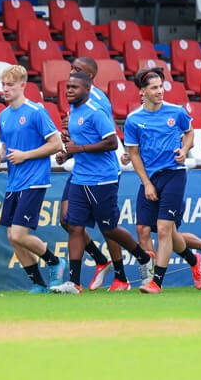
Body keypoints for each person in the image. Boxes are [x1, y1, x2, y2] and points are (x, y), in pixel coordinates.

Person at [50, 72, 155, 294]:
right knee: (74, 227)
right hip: (80, 179)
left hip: (103, 180)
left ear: (87, 90)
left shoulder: (96, 113)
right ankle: (74, 283)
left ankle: (144, 257)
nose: (69, 90)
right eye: (67, 87)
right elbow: (79, 144)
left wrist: (79, 150)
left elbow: (111, 143)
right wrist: (67, 155)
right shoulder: (73, 113)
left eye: (74, 87)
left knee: (109, 228)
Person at [134, 66, 201, 280]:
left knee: (165, 230)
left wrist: (184, 150)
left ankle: (154, 280)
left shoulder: (176, 111)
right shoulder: (134, 119)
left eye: (161, 87)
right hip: (150, 178)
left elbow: (190, 132)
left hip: (174, 174)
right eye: (154, 88)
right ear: (142, 92)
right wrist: (146, 182)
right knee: (143, 230)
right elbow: (134, 151)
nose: (160, 91)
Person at [0, 65, 67, 293]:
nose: (5, 89)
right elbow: (6, 144)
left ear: (23, 85)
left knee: (18, 233)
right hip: (14, 181)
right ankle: (38, 283)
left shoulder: (36, 111)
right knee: (12, 236)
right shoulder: (3, 115)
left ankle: (55, 262)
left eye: (10, 85)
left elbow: (56, 144)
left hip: (34, 180)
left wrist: (26, 155)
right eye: (3, 85)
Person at [58, 57, 129, 291]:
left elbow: (107, 139)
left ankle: (120, 276)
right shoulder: (74, 95)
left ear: (90, 78)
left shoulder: (97, 101)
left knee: (107, 226)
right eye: (72, 68)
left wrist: (77, 148)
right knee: (67, 220)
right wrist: (68, 148)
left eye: (78, 70)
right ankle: (100, 261)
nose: (72, 72)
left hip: (101, 171)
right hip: (81, 168)